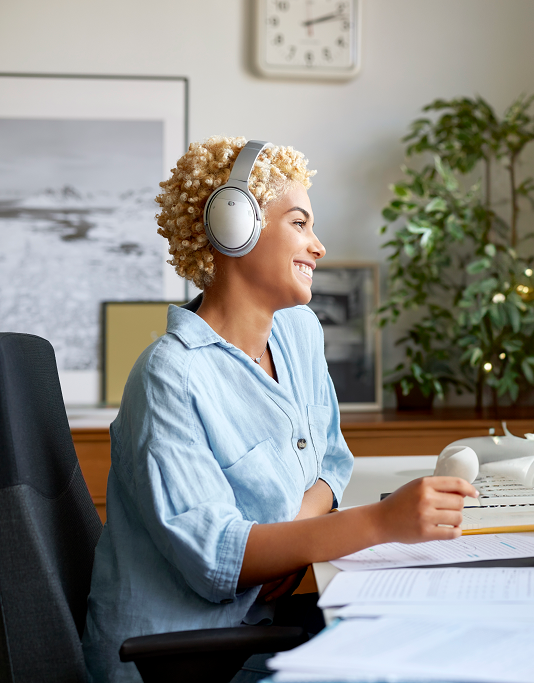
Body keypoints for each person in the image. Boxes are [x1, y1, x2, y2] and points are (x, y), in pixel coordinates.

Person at [81, 136, 477, 683]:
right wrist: (383, 522)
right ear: (233, 225)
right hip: (181, 659)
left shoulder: (298, 331)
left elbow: (332, 460)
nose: (318, 246)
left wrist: (284, 546)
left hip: (258, 627)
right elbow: (218, 560)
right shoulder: (169, 376)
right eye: (300, 223)